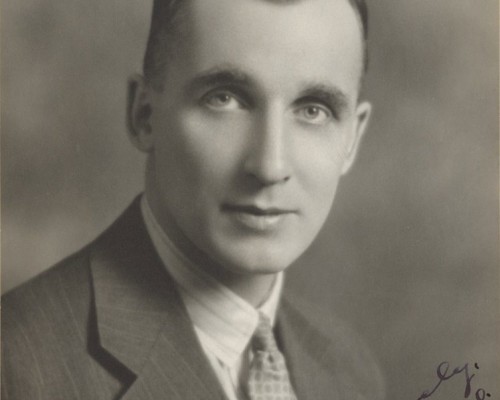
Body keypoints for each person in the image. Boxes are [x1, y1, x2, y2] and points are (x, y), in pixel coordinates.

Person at [1, 0, 385, 399]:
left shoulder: (350, 369)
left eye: (314, 110)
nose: (269, 166)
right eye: (225, 99)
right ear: (144, 116)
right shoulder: (15, 366)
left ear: (352, 140)